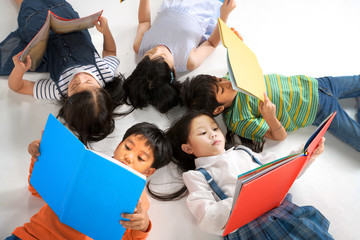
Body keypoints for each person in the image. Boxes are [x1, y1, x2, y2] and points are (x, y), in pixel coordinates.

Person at [149, 111, 333, 239]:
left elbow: (282, 168)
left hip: (286, 212)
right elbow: (206, 217)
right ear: (188, 148)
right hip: (253, 230)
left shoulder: (244, 151)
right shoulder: (197, 175)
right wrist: (242, 199)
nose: (213, 135)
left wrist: (307, 154)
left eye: (214, 129)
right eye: (203, 133)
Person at [5, 122, 173, 240]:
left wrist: (143, 226)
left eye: (140, 158)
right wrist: (40, 157)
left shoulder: (138, 199)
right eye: (127, 147)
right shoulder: (85, 164)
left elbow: (126, 237)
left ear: (149, 171)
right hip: (31, 236)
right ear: (118, 145)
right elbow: (36, 190)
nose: (129, 157)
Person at [0, 0, 125, 145]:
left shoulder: (58, 90)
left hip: (37, 26)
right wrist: (106, 32)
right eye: (89, 82)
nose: (80, 78)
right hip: (66, 16)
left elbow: (17, 87)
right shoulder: (105, 73)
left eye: (74, 87)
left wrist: (19, 70)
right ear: (103, 90)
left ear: (67, 100)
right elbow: (110, 52)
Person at [180, 73, 360, 152]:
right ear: (219, 108)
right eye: (222, 90)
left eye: (218, 79)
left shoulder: (231, 77)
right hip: (317, 110)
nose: (226, 83)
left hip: (316, 84)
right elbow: (279, 136)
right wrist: (270, 117)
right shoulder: (239, 120)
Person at [120, 0, 236, 114]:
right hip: (203, 7)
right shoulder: (188, 60)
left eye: (149, 54)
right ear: (173, 71)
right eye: (162, 56)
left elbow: (144, 22)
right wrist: (224, 16)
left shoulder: (140, 46)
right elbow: (211, 43)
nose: (158, 48)